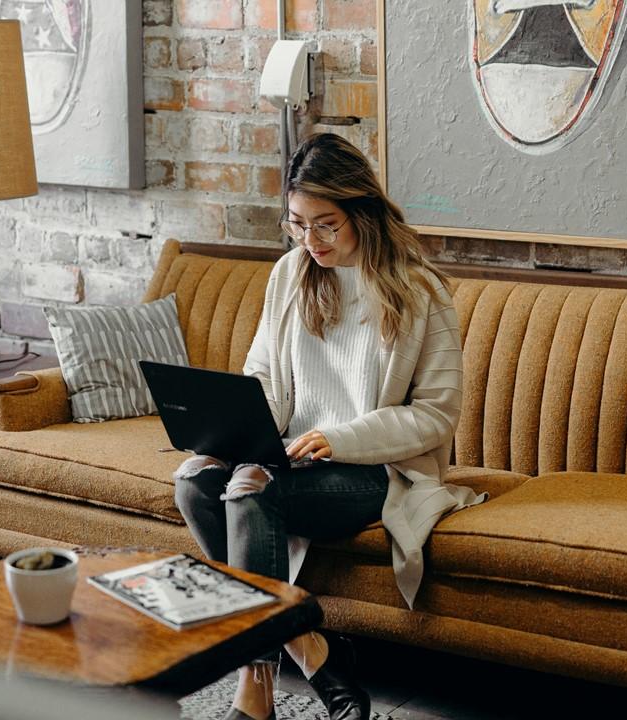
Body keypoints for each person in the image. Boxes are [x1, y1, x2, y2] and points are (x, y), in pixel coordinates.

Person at [172, 133, 483, 720]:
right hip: (291, 457)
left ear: (362, 212)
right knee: (194, 480)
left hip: (374, 471)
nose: (309, 241)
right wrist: (234, 437)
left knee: (250, 492)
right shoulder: (290, 275)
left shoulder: (420, 291)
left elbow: (436, 414)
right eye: (296, 224)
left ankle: (254, 689)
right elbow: (262, 374)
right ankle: (310, 646)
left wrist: (341, 439)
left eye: (326, 225)